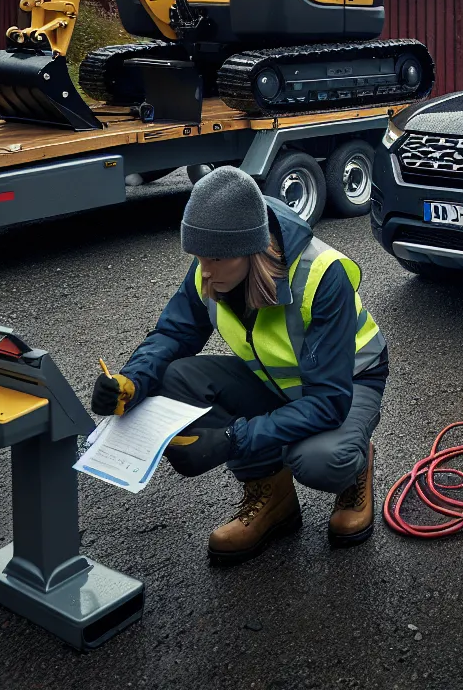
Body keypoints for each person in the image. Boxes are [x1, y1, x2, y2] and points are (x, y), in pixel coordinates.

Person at [90, 165, 387, 565]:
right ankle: (273, 497)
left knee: (320, 459)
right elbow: (173, 334)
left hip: (347, 384)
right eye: (198, 257)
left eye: (215, 258)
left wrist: (232, 439)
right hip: (278, 381)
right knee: (176, 378)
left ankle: (356, 466)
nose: (204, 270)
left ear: (251, 249)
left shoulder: (322, 274)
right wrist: (131, 380)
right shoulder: (211, 265)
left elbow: (328, 402)